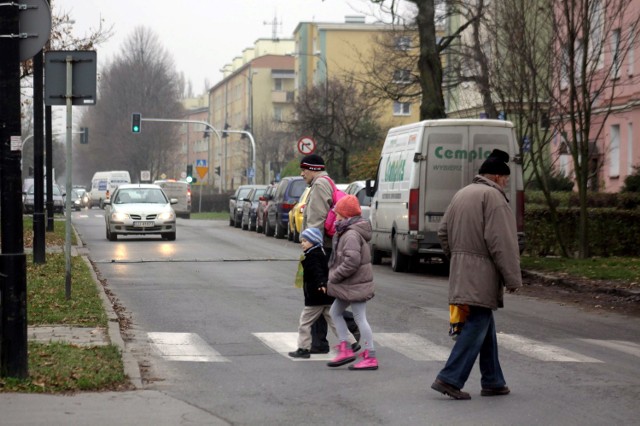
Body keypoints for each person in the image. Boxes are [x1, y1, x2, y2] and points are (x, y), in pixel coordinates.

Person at [431, 149, 522, 400]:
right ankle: (449, 378)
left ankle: (493, 380)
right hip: (482, 272)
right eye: (505, 179)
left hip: (461, 269)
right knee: (478, 322)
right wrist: (513, 277)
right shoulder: (493, 197)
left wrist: (457, 258)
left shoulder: (462, 193)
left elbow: (442, 231)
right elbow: (502, 242)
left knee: (484, 321)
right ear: (496, 176)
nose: (506, 184)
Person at [325, 195, 378, 370]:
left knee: (360, 318)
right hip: (351, 284)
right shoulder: (348, 231)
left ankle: (370, 355)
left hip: (355, 284)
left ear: (346, 216)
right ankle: (345, 346)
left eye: (338, 214)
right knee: (335, 312)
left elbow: (351, 261)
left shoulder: (351, 235)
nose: (336, 217)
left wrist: (334, 276)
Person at [288, 228, 358, 359]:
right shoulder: (322, 252)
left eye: (305, 241)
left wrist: (321, 284)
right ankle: (351, 342)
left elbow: (318, 272)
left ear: (314, 241)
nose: (302, 243)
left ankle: (303, 348)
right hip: (327, 296)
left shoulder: (312, 256)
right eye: (302, 241)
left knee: (304, 322)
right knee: (334, 321)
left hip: (315, 298)